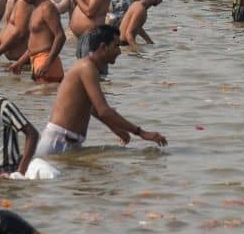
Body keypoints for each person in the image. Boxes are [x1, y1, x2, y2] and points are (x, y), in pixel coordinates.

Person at [35, 25, 167, 156]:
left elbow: (93, 108)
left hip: (69, 143)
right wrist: (141, 133)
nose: (119, 51)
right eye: (116, 46)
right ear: (103, 47)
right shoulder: (87, 67)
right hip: (57, 143)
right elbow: (104, 110)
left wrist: (115, 128)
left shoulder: (90, 68)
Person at [9, 0, 67, 82]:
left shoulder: (47, 8)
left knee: (44, 97)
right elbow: (35, 43)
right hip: (38, 62)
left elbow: (60, 36)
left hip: (47, 63)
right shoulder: (36, 9)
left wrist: (47, 63)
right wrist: (20, 61)